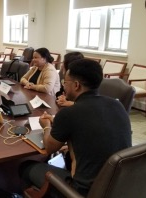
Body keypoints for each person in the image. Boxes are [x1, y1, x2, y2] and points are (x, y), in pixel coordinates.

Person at [19, 59, 132, 197]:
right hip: (119, 186)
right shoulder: (117, 105)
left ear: (76, 85)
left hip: (85, 191)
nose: (63, 87)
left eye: (65, 83)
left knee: (25, 167)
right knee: (67, 156)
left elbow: (49, 148)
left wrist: (46, 126)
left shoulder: (69, 113)